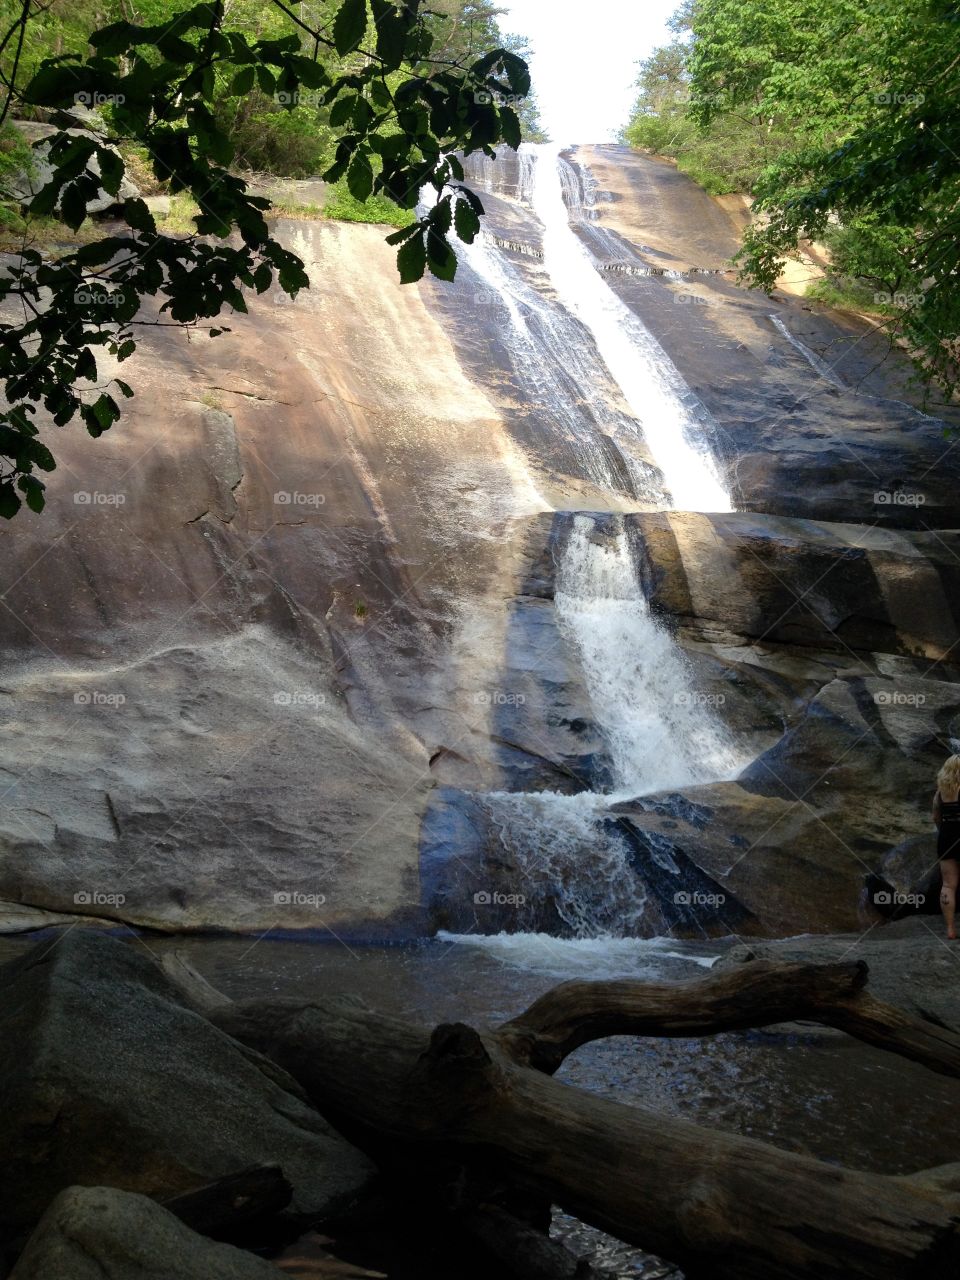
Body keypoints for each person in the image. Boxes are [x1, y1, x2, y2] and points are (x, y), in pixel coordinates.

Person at [934, 754, 960, 940]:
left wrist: (943, 832)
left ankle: (950, 929)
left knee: (948, 885)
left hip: (946, 839)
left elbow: (936, 817)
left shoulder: (940, 793)